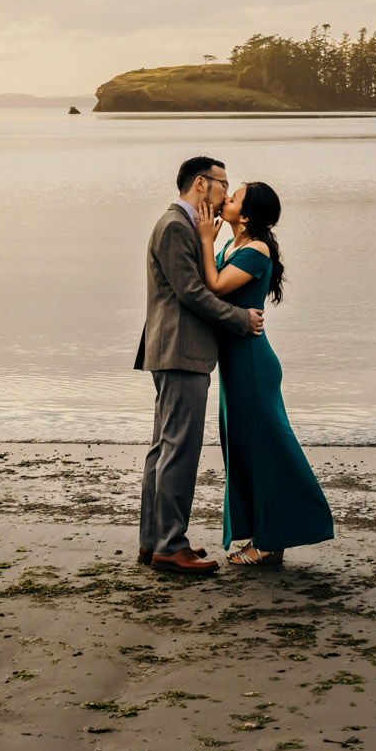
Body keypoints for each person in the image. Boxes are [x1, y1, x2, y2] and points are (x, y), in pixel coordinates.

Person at [134, 156, 265, 574]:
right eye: (222, 184)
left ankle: (154, 541)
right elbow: (192, 293)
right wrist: (241, 320)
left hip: (173, 350)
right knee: (178, 452)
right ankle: (170, 546)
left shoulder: (186, 225)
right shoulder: (176, 225)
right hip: (180, 350)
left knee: (163, 449)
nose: (227, 192)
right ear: (200, 183)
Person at [196, 180, 334, 566]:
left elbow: (216, 286)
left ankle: (271, 541)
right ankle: (263, 533)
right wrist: (215, 239)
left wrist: (207, 238)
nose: (226, 199)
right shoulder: (234, 245)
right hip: (235, 364)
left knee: (267, 451)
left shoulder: (255, 250)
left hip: (253, 364)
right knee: (241, 450)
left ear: (248, 213)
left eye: (234, 197)